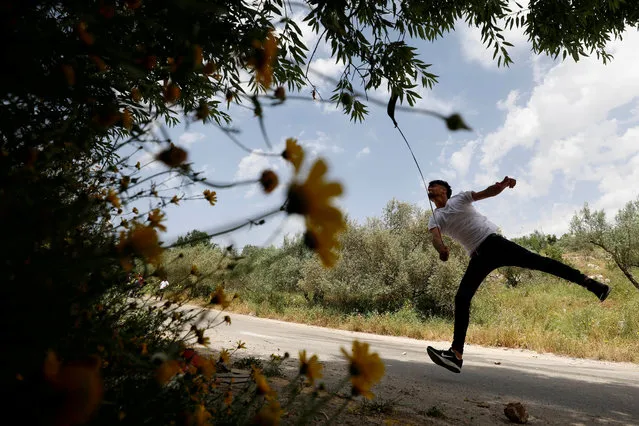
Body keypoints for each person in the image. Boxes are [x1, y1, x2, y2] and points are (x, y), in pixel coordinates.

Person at [425, 177, 611, 374]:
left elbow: (487, 192)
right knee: (462, 298)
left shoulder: (460, 198)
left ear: (444, 190)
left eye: (434, 185)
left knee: (542, 263)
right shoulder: (435, 218)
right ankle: (455, 355)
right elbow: (436, 238)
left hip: (494, 243)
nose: (430, 188)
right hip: (478, 257)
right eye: (429, 186)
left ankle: (593, 285)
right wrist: (441, 250)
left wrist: (503, 185)